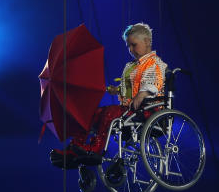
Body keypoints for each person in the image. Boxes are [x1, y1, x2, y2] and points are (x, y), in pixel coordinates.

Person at [50, 22, 167, 169]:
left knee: (110, 112)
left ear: (147, 42)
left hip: (148, 110)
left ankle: (96, 149)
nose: (131, 49)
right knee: (92, 115)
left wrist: (142, 94)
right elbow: (130, 89)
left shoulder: (154, 63)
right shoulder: (132, 66)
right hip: (131, 109)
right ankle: (75, 147)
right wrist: (117, 90)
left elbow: (153, 82)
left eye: (134, 45)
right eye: (128, 46)